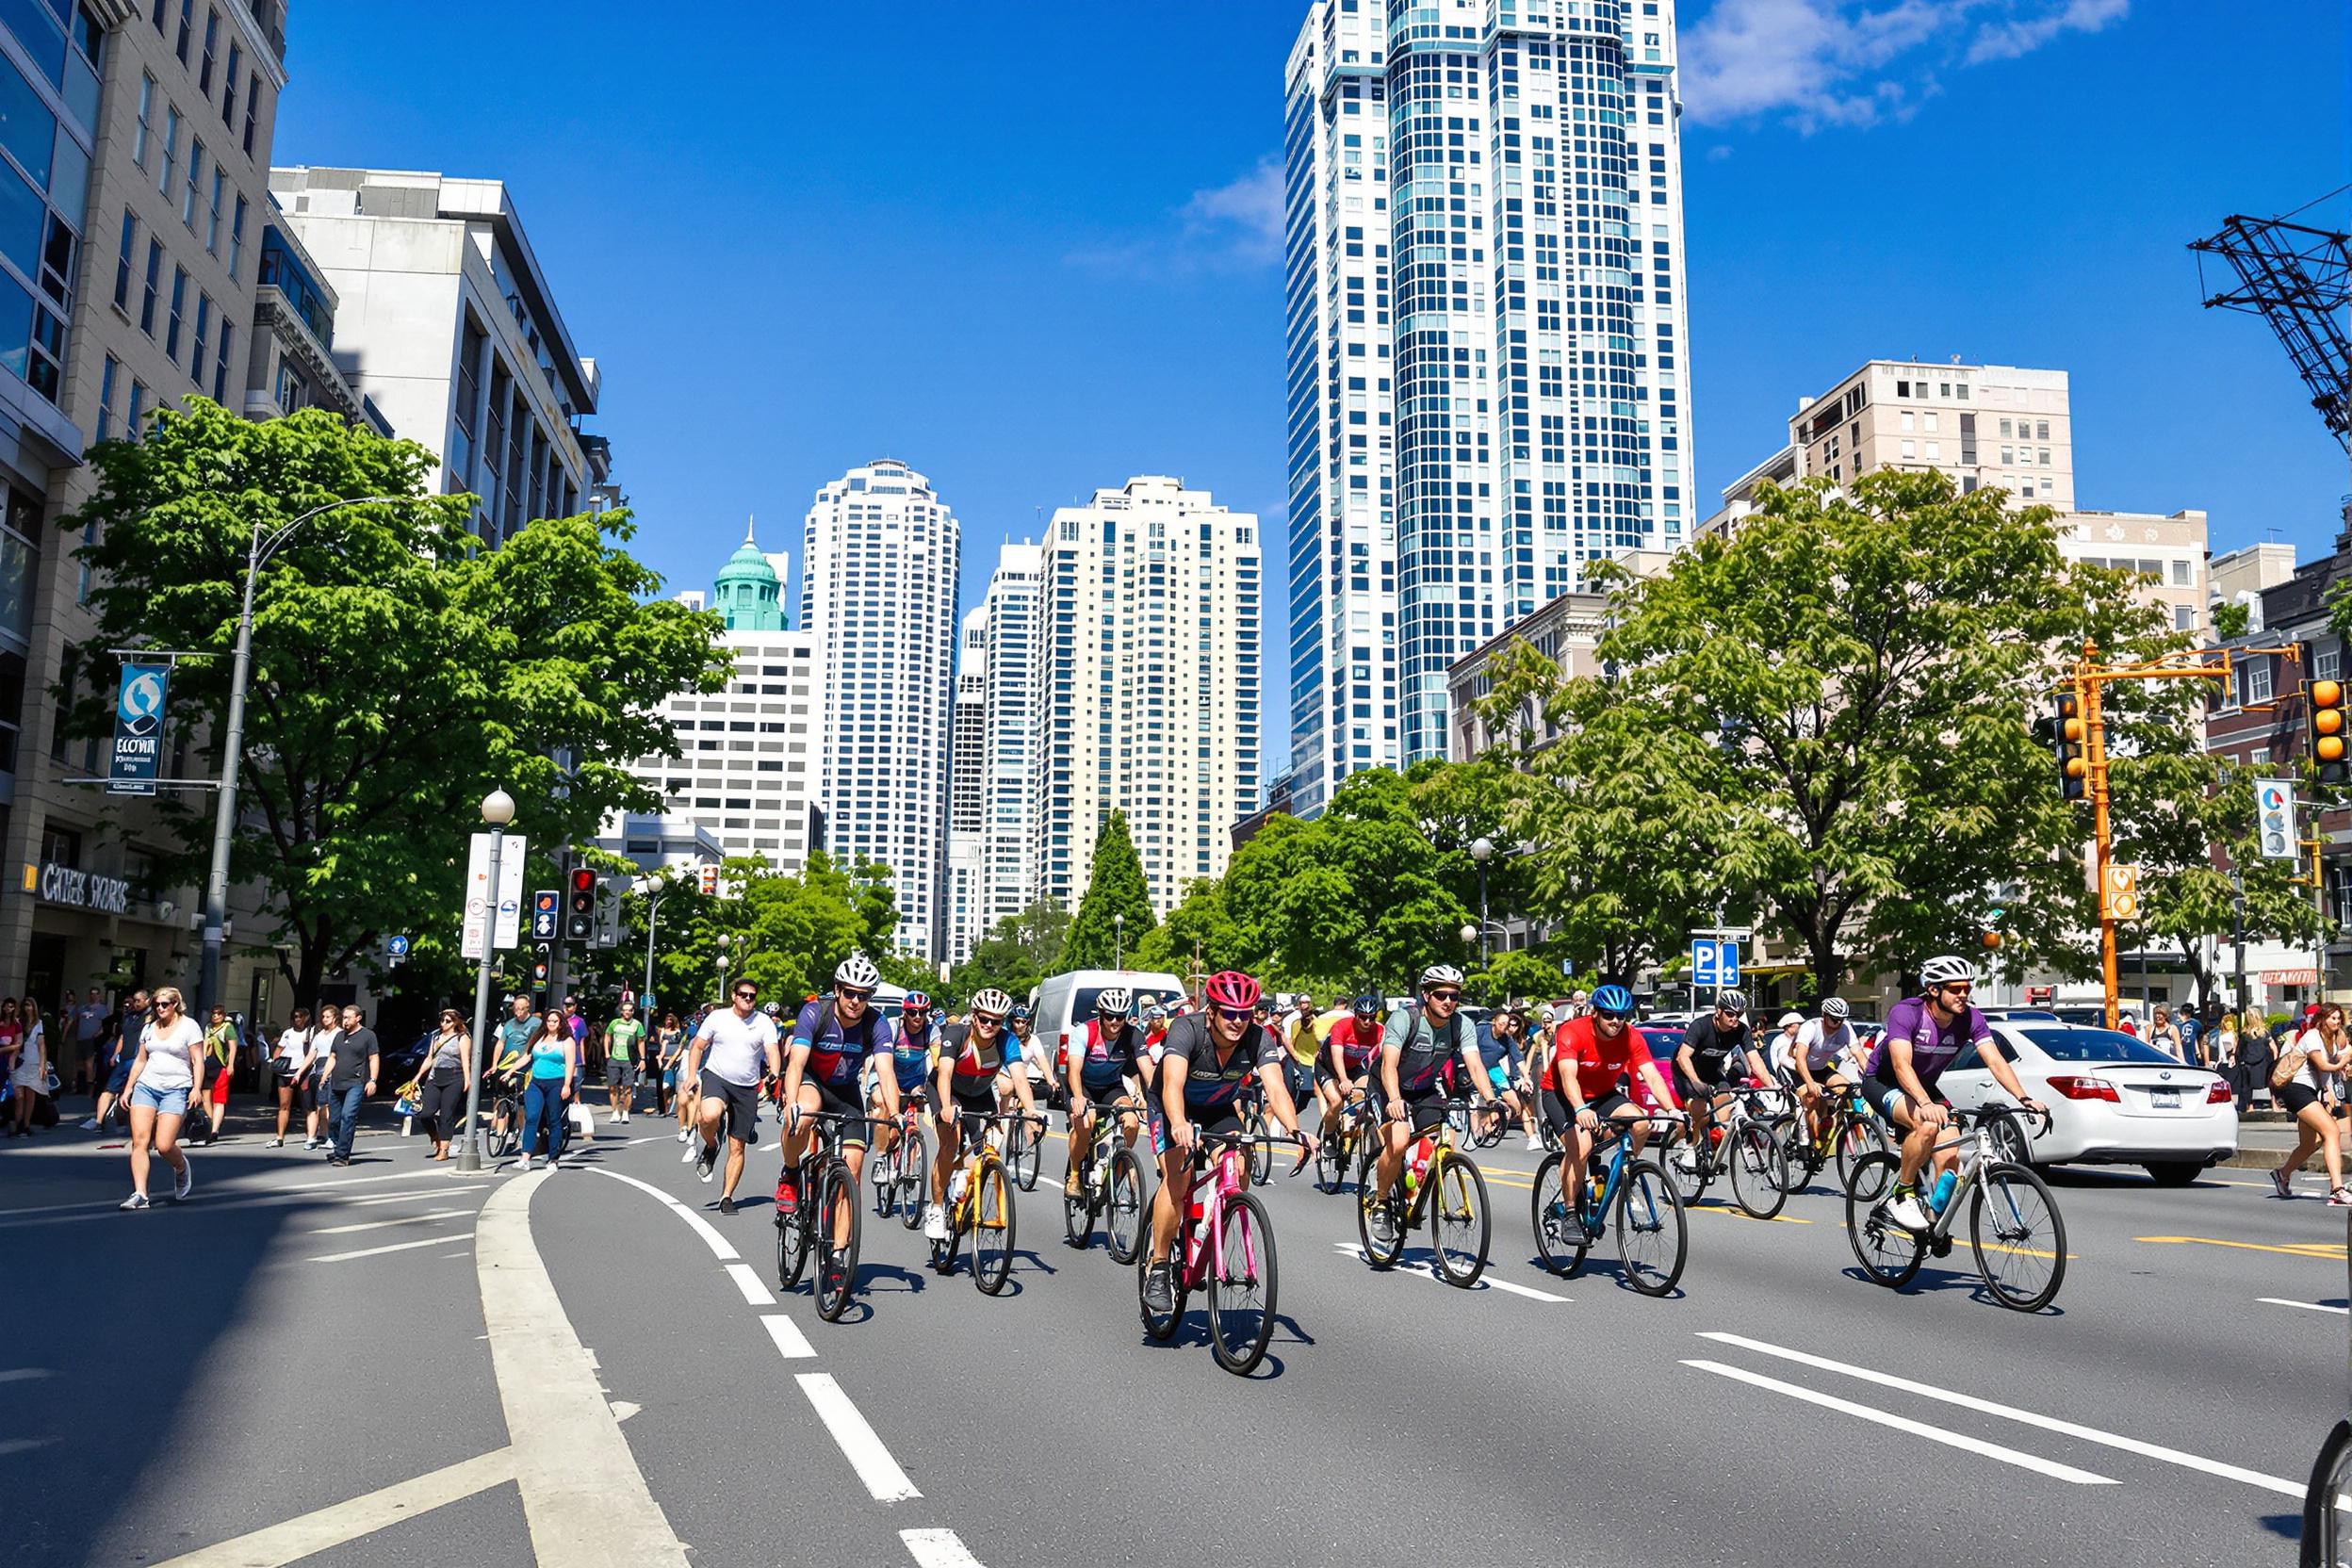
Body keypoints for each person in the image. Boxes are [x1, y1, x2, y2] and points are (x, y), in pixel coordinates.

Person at [1141, 972, 1315, 1313]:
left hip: (1219, 1109)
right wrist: (1178, 1123)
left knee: (1238, 1164)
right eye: (1229, 1013)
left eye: (1245, 1014)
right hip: (1171, 1107)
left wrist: (1295, 1132)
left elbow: (1276, 1088)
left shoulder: (1257, 1038)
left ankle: (1214, 1224)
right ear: (1211, 1012)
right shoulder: (1186, 1030)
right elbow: (1172, 1084)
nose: (1238, 1021)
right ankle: (1159, 1265)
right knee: (1178, 1179)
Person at [1867, 956, 2045, 1232]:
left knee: (1950, 1155)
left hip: (1923, 1087)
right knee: (1926, 1125)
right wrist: (1925, 1103)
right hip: (1884, 1081)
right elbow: (1901, 1064)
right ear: (1934, 989)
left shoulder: (1970, 1018)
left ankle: (1932, 1224)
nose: (1964, 994)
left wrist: (2023, 1098)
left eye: (1967, 988)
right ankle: (1901, 1195)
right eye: (1956, 989)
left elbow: (1995, 1061)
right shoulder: (1907, 1013)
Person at [1365, 965, 1499, 1250]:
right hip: (1387, 1087)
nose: (1448, 1001)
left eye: (1454, 996)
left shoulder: (1461, 1025)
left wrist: (1491, 1100)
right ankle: (1381, 1202)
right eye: (1441, 995)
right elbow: (1389, 1064)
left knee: (1446, 1140)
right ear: (1426, 995)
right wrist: (1393, 1099)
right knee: (1399, 1140)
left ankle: (1416, 1183)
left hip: (1424, 1089)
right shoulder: (1405, 1019)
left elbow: (1475, 1066)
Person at [1538, 984, 1675, 1240]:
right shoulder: (1572, 1032)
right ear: (1595, 1014)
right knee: (1582, 1145)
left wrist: (1672, 1110)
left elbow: (1653, 1076)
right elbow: (1568, 1077)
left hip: (1602, 1093)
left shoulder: (1632, 1036)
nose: (1615, 1021)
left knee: (1641, 1123)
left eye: (1621, 1016)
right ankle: (1569, 1212)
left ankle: (1620, 1170)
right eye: (1609, 1015)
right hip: (1561, 1093)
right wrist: (1579, 1109)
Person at [778, 955, 895, 1225]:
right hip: (813, 1082)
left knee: (852, 1171)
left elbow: (886, 1071)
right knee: (803, 1115)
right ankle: (791, 1173)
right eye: (850, 993)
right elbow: (796, 1062)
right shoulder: (815, 1012)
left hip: (846, 1092)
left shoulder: (877, 1024)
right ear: (837, 990)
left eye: (863, 995)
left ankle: (838, 1258)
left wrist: (895, 1113)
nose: (856, 1001)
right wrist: (791, 1103)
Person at [925, 988, 1036, 1241]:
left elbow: (1019, 1078)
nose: (989, 1025)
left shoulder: (1006, 1041)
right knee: (950, 1141)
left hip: (979, 1093)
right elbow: (944, 1075)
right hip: (946, 1089)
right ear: (974, 1017)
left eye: (995, 1021)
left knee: (991, 1144)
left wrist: (1031, 1113)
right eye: (984, 1019)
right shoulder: (956, 1034)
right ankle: (937, 1208)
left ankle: (963, 1176)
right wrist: (945, 1107)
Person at [687, 978, 783, 1207]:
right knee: (708, 1116)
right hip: (717, 1076)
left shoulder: (763, 1022)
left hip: (747, 1087)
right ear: (734, 995)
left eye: (752, 996)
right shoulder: (718, 1017)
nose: (748, 999)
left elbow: (772, 1050)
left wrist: (774, 1073)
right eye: (743, 994)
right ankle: (711, 1146)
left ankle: (726, 1196)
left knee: (738, 1145)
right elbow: (698, 1046)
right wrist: (691, 1075)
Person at [117, 987, 202, 1208]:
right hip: (147, 1086)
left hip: (176, 1088)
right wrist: (128, 1088)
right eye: (157, 1004)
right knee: (140, 1141)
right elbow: (141, 1060)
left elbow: (198, 1061)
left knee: (164, 1145)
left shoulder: (189, 1027)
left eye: (165, 1004)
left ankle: (181, 1166)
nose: (160, 1008)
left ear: (175, 1005)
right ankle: (140, 1194)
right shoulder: (149, 1028)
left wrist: (197, 1088)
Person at [1670, 990, 1772, 1171]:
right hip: (1686, 1071)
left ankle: (1710, 1148)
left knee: (1724, 1114)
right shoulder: (1700, 1026)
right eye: (1730, 1013)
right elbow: (1682, 1057)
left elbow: (1755, 1060)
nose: (1734, 1018)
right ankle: (1690, 1147)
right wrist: (1696, 1082)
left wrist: (1772, 1087)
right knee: (1701, 1108)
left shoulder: (1740, 1031)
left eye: (1739, 1015)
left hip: (1711, 1072)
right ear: (1719, 1011)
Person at [1064, 987, 1146, 1199]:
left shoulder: (1133, 1035)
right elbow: (1074, 1070)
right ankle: (1074, 1176)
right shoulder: (1084, 1032)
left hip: (1111, 1086)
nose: (1115, 1021)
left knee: (1131, 1121)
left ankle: (1118, 1165)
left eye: (1120, 1016)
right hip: (1083, 1085)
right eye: (1110, 1016)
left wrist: (1152, 1100)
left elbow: (1148, 1071)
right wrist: (1079, 1098)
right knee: (1086, 1121)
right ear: (1101, 1014)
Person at [2272, 1002, 2352, 1203]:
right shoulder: (2312, 1037)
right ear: (2322, 1019)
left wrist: (2328, 1096)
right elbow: (2323, 1066)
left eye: (2339, 1018)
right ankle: (2337, 1190)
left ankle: (2282, 1174)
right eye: (2332, 1018)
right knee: (2331, 1131)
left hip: (2310, 1093)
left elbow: (2325, 1076)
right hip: (2295, 1090)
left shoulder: (2331, 1042)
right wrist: (2344, 1060)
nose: (2337, 1022)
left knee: (2310, 1144)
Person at [875, 991, 937, 1173]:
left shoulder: (931, 1030)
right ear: (905, 1012)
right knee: (881, 1105)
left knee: (912, 1119)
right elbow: (884, 1062)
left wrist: (930, 1085)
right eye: (912, 1012)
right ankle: (879, 1157)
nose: (918, 1017)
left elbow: (937, 1059)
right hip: (888, 1076)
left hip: (914, 1081)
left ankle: (909, 1159)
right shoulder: (893, 1027)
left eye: (922, 1012)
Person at [1788, 996, 1861, 1143]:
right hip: (1797, 1068)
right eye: (1835, 1019)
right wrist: (1810, 1083)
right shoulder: (1810, 1027)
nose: (1839, 1023)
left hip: (1820, 1068)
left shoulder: (1845, 1029)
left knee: (1849, 1089)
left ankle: (1828, 1120)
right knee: (1811, 1097)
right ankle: (1807, 1141)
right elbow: (1800, 1059)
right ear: (1824, 1015)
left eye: (1842, 1019)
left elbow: (1860, 1055)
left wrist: (1872, 1076)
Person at [1313, 994, 1383, 1144]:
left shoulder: (1379, 1031)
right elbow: (1337, 1055)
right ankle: (1329, 1136)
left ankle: (1352, 1123)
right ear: (1355, 1015)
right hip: (1327, 1066)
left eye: (1372, 1017)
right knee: (1336, 1101)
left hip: (1353, 1067)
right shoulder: (1342, 1026)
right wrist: (1343, 1080)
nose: (1367, 1021)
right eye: (1363, 1017)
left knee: (1369, 1094)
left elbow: (1385, 1058)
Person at [513, 1007, 575, 1173]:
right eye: (549, 1021)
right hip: (536, 1083)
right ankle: (525, 1157)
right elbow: (527, 1056)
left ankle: (553, 1158)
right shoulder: (539, 1037)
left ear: (561, 1023)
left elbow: (570, 1064)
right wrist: (509, 1070)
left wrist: (567, 1085)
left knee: (554, 1120)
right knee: (532, 1117)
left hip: (557, 1083)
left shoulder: (566, 1041)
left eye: (555, 1021)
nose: (551, 1024)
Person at [321, 1005, 380, 1167]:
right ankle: (338, 1146)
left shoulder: (368, 1036)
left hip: (355, 1083)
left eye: (348, 1018)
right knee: (333, 1121)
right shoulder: (339, 1036)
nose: (345, 1021)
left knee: (348, 1117)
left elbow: (373, 1058)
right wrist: (325, 1076)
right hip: (336, 1083)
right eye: (344, 1018)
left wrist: (372, 1080)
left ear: (358, 1018)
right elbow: (332, 1057)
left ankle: (342, 1155)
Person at [85, 990, 146, 1132]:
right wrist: (115, 1055)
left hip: (139, 1058)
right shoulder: (129, 1017)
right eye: (133, 1001)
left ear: (146, 1001)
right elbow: (122, 1037)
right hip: (125, 1059)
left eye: (138, 1001)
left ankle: (130, 1124)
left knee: (136, 1093)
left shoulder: (149, 1016)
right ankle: (99, 1122)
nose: (134, 1004)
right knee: (110, 1090)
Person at [417, 1009, 471, 1162]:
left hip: (454, 1076)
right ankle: (435, 1137)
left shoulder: (462, 1037)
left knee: (446, 1114)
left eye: (448, 1021)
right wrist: (417, 1077)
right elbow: (430, 1058)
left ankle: (444, 1149)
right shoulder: (436, 1037)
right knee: (425, 1113)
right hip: (435, 1077)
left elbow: (465, 1060)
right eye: (442, 1020)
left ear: (456, 1022)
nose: (444, 1024)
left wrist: (467, 1079)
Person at [267, 1007, 320, 1149]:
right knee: (284, 1105)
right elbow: (278, 1050)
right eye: (295, 1017)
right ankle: (279, 1137)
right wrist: (275, 1064)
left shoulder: (312, 1032)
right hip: (286, 1072)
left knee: (308, 1105)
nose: (297, 1020)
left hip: (304, 1071)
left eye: (300, 1017)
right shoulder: (287, 1033)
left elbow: (315, 1051)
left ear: (306, 1018)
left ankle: (311, 1137)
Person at [196, 1004, 237, 1145]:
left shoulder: (228, 1028)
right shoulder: (208, 1028)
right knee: (205, 1097)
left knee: (219, 1099)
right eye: (214, 1014)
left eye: (219, 1014)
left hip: (221, 1066)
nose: (215, 1016)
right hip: (207, 1065)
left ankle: (214, 1130)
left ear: (223, 1016)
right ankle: (211, 1122)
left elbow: (233, 1047)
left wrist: (230, 1065)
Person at [7, 998, 46, 1136]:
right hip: (19, 1061)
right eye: (25, 1006)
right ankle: (17, 1123)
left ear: (33, 1008)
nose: (27, 1008)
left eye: (29, 1006)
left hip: (33, 1062)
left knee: (31, 1094)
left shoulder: (38, 1024)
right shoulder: (18, 1022)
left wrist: (42, 1065)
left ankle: (26, 1124)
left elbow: (41, 1045)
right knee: (19, 1096)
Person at [603, 1000, 645, 1122]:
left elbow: (641, 1041)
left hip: (629, 1060)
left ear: (633, 1012)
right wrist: (607, 1052)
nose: (627, 1012)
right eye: (625, 1010)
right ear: (621, 1011)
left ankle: (626, 1112)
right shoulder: (614, 1023)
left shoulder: (637, 1025)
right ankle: (615, 1111)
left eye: (630, 1010)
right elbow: (607, 1036)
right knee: (612, 1087)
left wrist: (642, 1059)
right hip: (615, 1058)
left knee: (627, 1088)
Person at [70, 988, 107, 1098]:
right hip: (80, 1039)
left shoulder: (102, 1009)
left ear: (99, 995)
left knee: (89, 1065)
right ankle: (75, 1086)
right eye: (91, 994)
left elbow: (105, 1025)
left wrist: (97, 1035)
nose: (93, 996)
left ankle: (90, 1090)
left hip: (91, 1040)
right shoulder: (82, 1008)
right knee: (77, 1064)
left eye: (96, 994)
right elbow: (74, 1021)